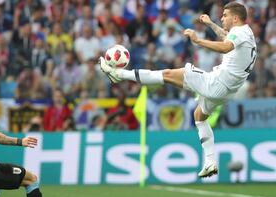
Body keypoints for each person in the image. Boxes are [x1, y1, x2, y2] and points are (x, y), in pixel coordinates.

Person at [99, 2, 256, 178]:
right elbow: (226, 37)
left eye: (225, 15)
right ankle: (210, 161)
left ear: (235, 18)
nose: (222, 17)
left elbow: (226, 46)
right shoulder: (246, 32)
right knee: (199, 116)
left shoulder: (239, 32)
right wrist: (211, 24)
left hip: (216, 83)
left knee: (166, 74)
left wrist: (198, 40)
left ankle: (119, 74)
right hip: (226, 91)